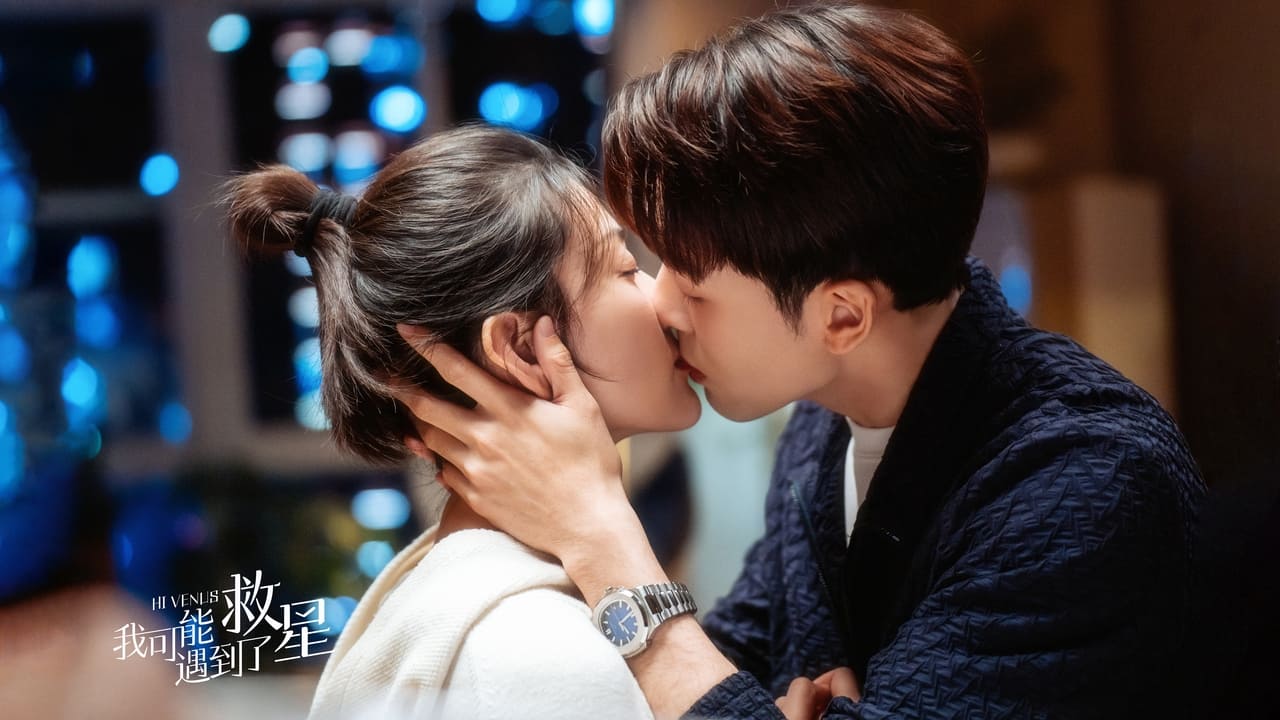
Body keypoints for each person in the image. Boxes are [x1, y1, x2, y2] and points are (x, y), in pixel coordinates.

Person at [391, 3, 1206, 719]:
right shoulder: (824, 425)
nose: (661, 307)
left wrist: (599, 530)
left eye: (693, 283)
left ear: (841, 316)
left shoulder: (1088, 480)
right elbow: (734, 661)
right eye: (648, 260)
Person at [223, 124, 705, 719]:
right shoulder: (537, 656)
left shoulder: (455, 599)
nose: (663, 299)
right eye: (626, 268)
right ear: (522, 348)